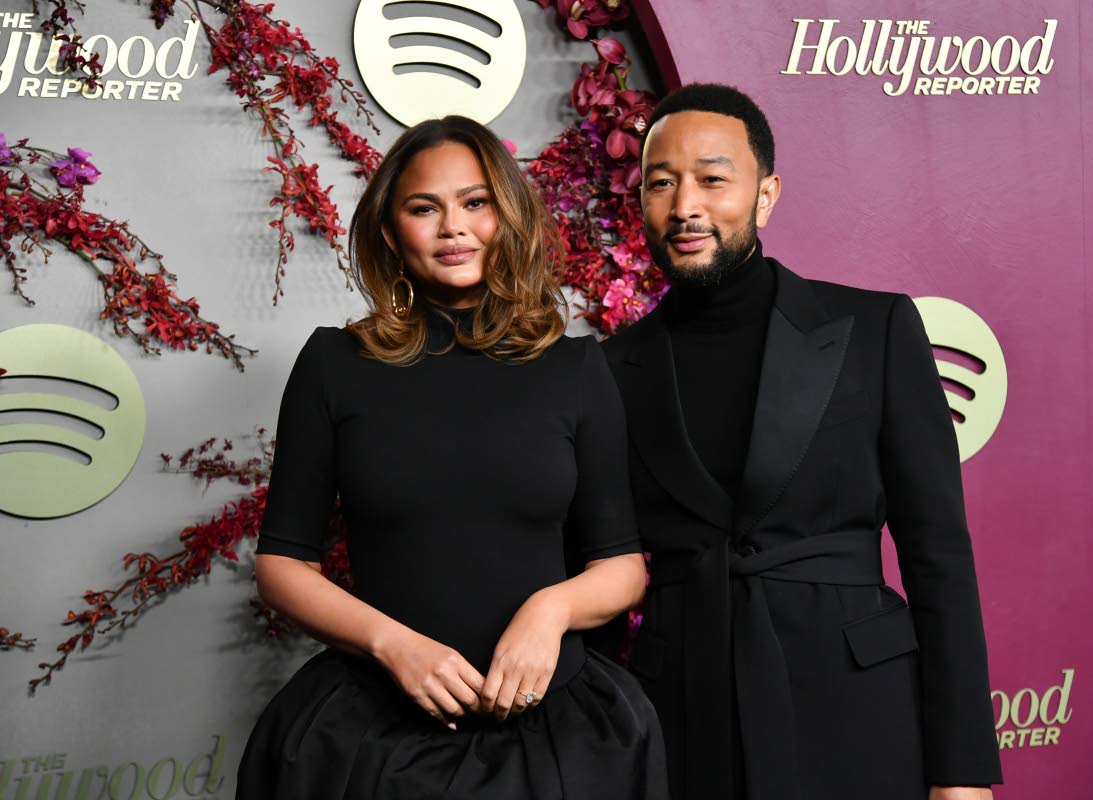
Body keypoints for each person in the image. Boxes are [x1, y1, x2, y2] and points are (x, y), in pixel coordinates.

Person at [236, 115, 668, 800]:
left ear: (508, 217)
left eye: (475, 202)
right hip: (373, 741)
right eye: (423, 208)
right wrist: (392, 644)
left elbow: (620, 569)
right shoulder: (334, 364)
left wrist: (550, 612)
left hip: (556, 735)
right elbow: (283, 566)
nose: (453, 227)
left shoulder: (576, 368)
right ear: (390, 232)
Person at [597, 84, 1003, 800]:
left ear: (766, 195)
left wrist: (963, 772)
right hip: (684, 716)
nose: (685, 205)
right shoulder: (609, 370)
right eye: (661, 183)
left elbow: (938, 555)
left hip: (857, 708)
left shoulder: (874, 331)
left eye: (712, 179)